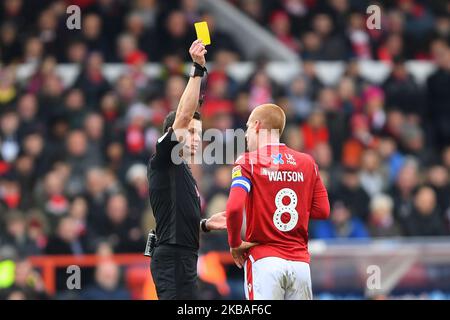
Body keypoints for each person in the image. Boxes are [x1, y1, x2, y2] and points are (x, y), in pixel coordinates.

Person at [225, 103, 330, 300]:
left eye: (247, 128)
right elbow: (323, 211)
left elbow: (233, 209)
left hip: (265, 261)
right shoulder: (307, 162)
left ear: (256, 125)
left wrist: (235, 243)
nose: (246, 135)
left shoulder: (248, 161)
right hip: (300, 264)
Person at [147, 40, 226, 300]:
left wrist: (203, 225)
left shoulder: (184, 171)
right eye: (191, 132)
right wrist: (197, 69)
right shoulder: (165, 158)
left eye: (198, 134)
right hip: (171, 257)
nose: (195, 138)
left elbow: (175, 215)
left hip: (187, 255)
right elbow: (182, 116)